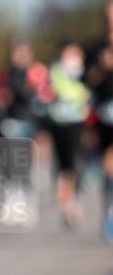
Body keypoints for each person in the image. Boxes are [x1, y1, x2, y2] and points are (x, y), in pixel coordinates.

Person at [0, 38, 48, 226]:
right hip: (6, 124)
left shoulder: (37, 72)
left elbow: (42, 97)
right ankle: (10, 201)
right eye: (16, 52)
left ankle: (27, 204)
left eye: (23, 52)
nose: (20, 57)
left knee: (24, 165)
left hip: (28, 123)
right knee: (7, 165)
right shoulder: (2, 73)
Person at [46, 41, 91, 228]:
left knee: (75, 162)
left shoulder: (87, 73)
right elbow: (50, 93)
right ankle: (67, 204)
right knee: (62, 165)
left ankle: (75, 200)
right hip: (58, 124)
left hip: (78, 124)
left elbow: (86, 95)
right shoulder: (54, 72)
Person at [84, 0, 113, 241]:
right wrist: (102, 68)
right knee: (109, 167)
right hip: (104, 117)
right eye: (109, 16)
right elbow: (85, 83)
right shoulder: (95, 49)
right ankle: (109, 214)